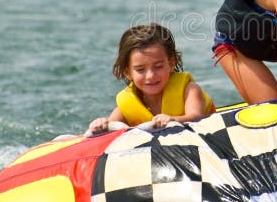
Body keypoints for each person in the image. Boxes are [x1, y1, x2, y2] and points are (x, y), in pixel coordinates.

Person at [87, 23, 215, 135]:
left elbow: (196, 117)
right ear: (128, 72)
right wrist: (101, 124)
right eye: (140, 70)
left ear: (170, 64)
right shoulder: (126, 106)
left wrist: (173, 120)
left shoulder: (189, 90)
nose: (150, 76)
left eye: (158, 67)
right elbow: (111, 127)